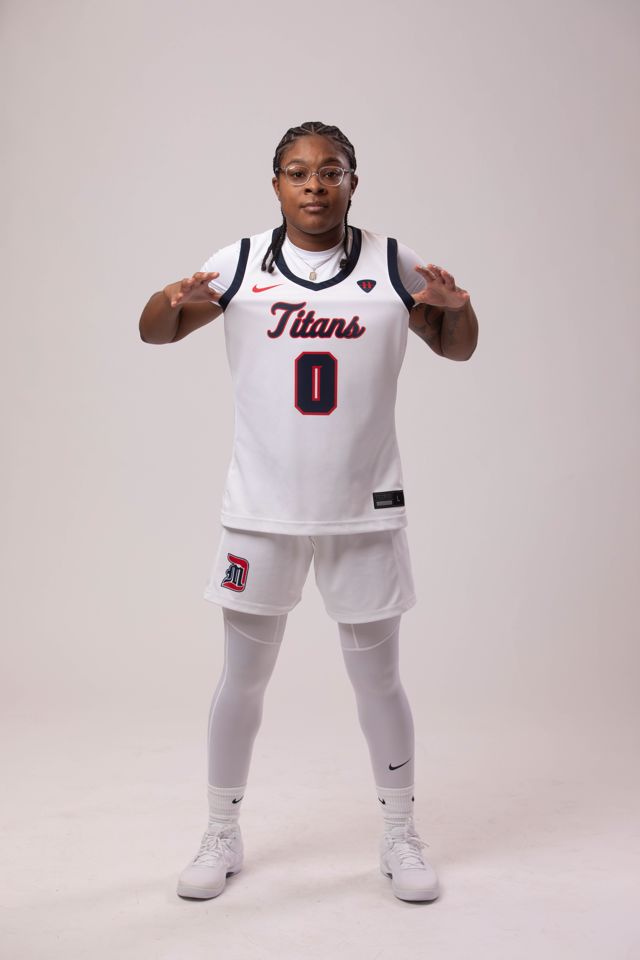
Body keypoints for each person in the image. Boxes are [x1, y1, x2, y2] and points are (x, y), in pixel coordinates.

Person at [139, 121, 478, 904]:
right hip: (261, 510)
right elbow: (156, 332)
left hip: (365, 508)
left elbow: (457, 345)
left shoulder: (394, 263)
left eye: (331, 170)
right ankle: (221, 831)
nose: (315, 184)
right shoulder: (240, 261)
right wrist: (168, 300)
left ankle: (400, 835)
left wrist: (455, 309)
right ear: (277, 185)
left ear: (353, 180)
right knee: (243, 680)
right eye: (298, 172)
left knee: (379, 682)